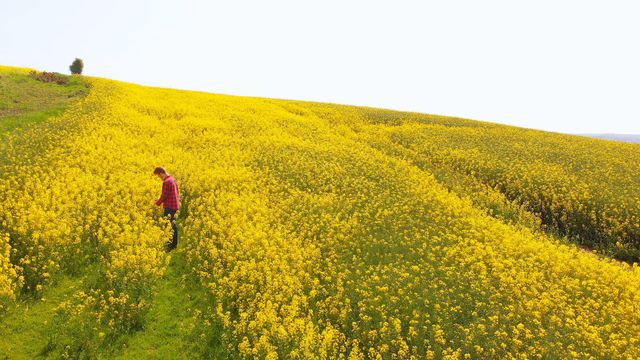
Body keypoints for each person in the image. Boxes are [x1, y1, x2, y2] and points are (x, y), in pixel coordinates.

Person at [154, 166, 180, 251]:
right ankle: (174, 244)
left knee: (169, 226)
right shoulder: (172, 179)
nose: (159, 178)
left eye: (159, 176)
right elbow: (177, 191)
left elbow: (164, 195)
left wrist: (158, 202)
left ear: (161, 173)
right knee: (173, 225)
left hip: (169, 206)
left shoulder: (166, 182)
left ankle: (171, 245)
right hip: (175, 205)